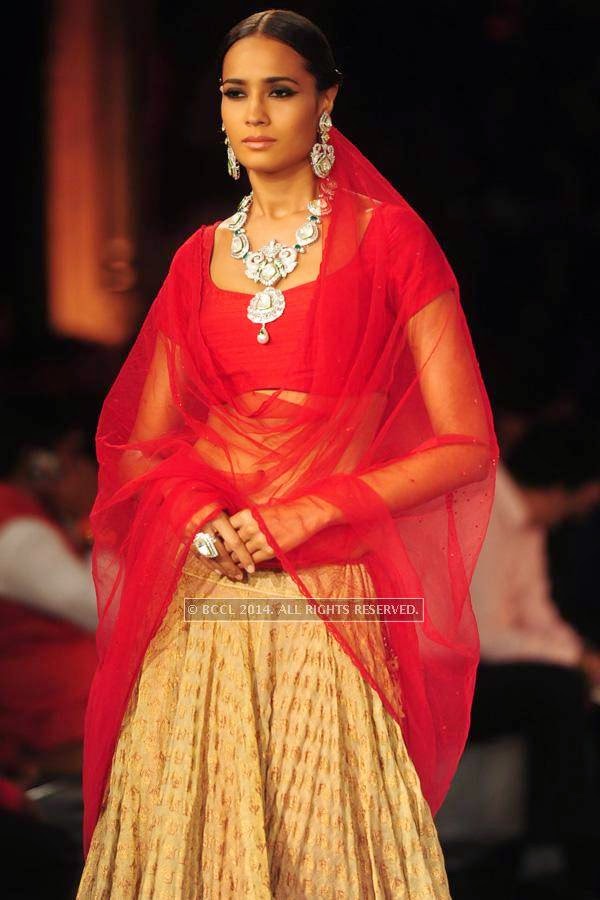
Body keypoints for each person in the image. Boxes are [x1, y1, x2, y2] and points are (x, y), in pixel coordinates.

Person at [76, 9, 498, 897]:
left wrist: (307, 511)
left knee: (324, 849)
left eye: (280, 90)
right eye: (237, 93)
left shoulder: (389, 242)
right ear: (220, 113)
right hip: (208, 597)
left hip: (327, 596)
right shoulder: (197, 260)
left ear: (325, 104)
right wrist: (202, 519)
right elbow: (138, 445)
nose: (255, 112)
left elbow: (464, 441)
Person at [468, 460, 600, 896]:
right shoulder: (483, 512)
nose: (584, 512)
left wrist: (581, 656)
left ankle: (569, 839)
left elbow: (537, 615)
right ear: (562, 490)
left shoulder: (528, 528)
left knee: (575, 688)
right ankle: (557, 845)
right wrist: (573, 661)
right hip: (457, 673)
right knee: (557, 689)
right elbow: (484, 636)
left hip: (502, 663)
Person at [0, 398, 99, 788]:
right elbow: (102, 609)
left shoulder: (27, 521)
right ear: (47, 464)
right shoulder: (19, 531)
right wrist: (100, 515)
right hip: (48, 714)